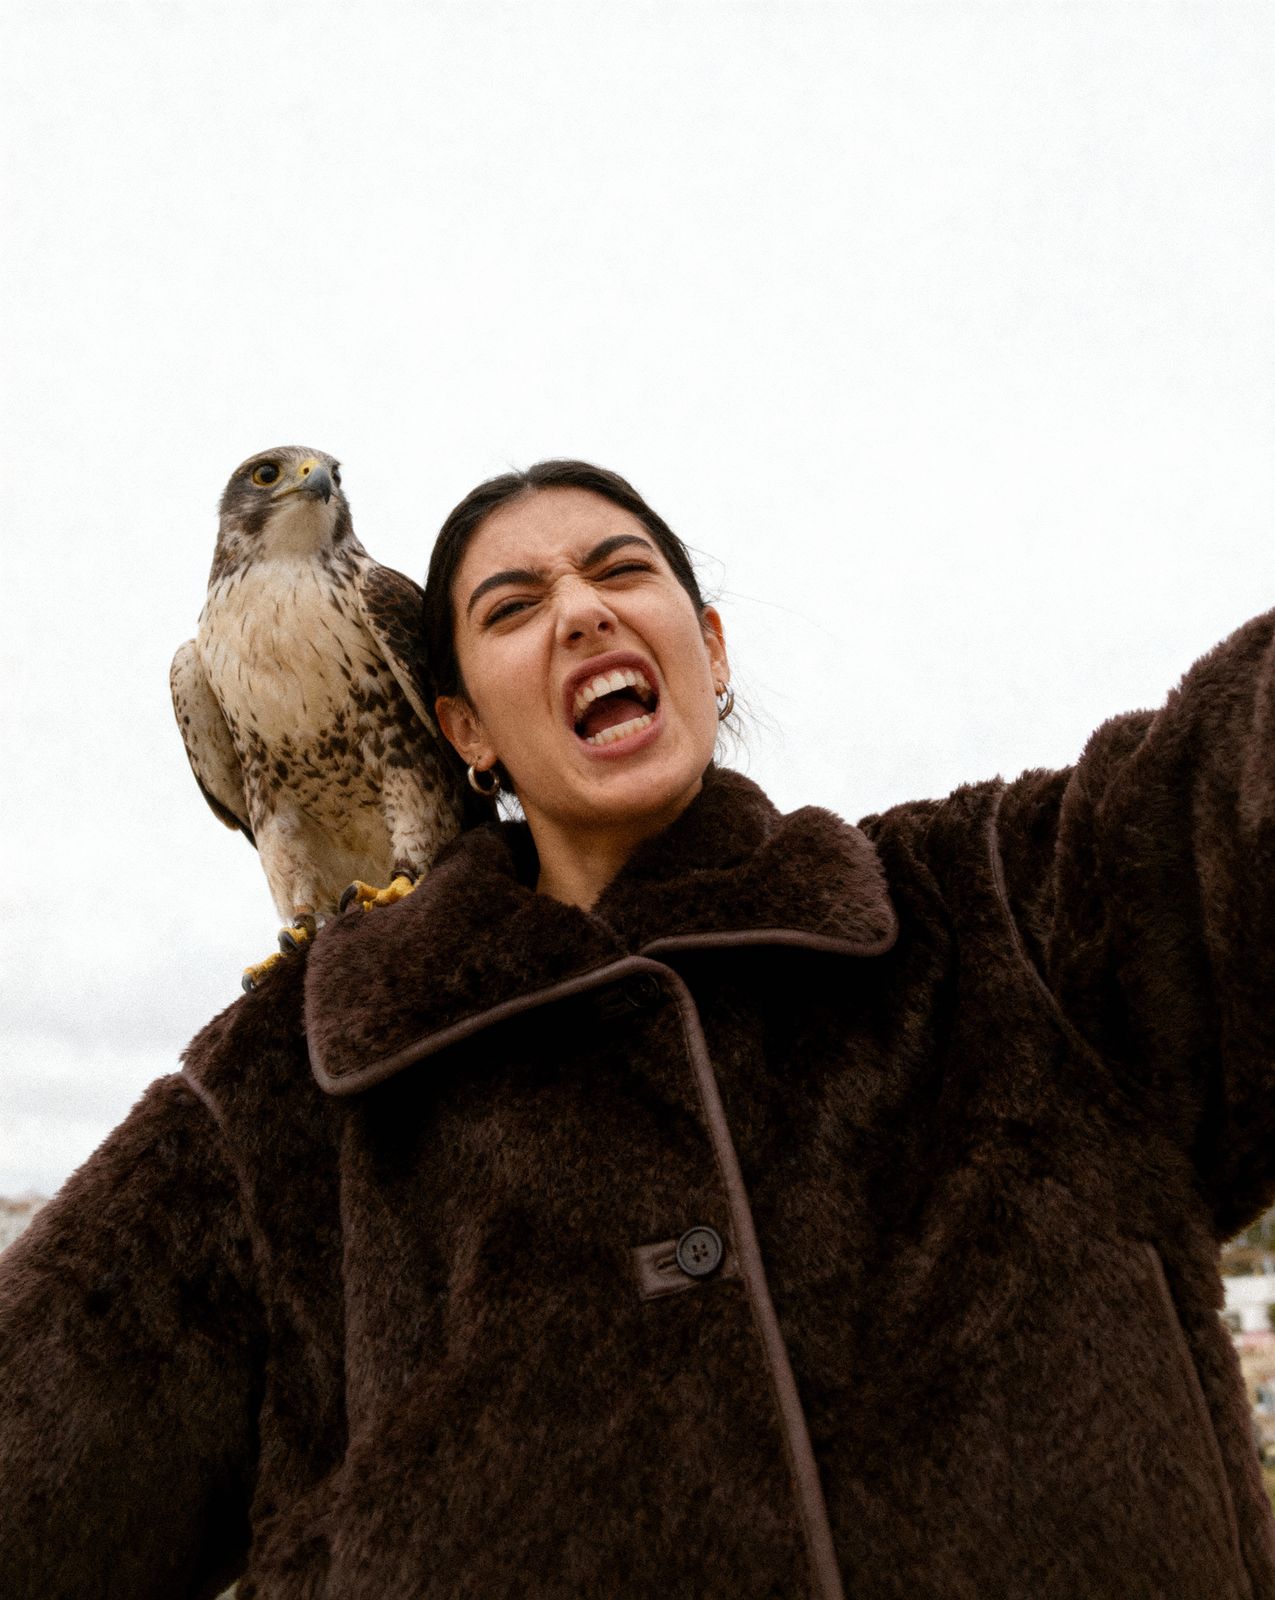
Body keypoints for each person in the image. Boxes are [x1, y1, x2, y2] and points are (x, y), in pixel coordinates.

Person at [2, 458, 1274, 1600]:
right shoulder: (298, 1089)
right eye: (511, 607)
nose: (581, 609)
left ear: (709, 649)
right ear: (462, 731)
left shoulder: (994, 909)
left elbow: (1233, 794)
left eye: (622, 570)